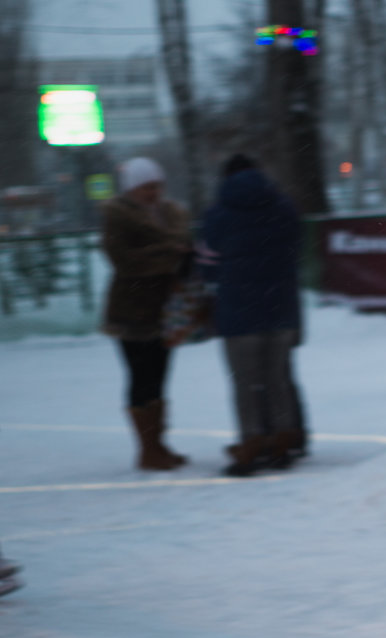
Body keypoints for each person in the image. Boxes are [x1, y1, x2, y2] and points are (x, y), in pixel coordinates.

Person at [201, 155, 307, 477]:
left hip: (239, 312)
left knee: (246, 384)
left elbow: (207, 265)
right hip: (281, 309)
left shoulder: (219, 213)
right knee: (277, 379)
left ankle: (250, 446)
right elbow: (298, 249)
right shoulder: (283, 207)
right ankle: (282, 443)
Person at [101, 157, 192, 471]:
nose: (154, 193)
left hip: (166, 309)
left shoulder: (171, 214)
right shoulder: (118, 216)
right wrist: (168, 256)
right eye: (147, 187)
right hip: (131, 311)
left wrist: (164, 253)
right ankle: (147, 449)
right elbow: (124, 261)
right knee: (142, 378)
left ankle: (158, 446)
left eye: (157, 186)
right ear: (132, 189)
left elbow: (184, 246)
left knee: (159, 379)